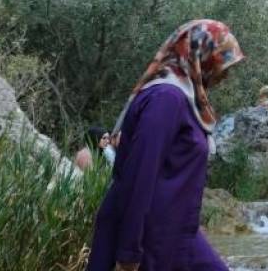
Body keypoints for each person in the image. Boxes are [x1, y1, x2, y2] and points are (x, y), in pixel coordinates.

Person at [87, 19, 245, 271]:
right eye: (221, 63)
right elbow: (140, 174)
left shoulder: (183, 98)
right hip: (149, 241)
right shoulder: (166, 98)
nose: (225, 75)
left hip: (175, 234)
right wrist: (128, 252)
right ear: (200, 56)